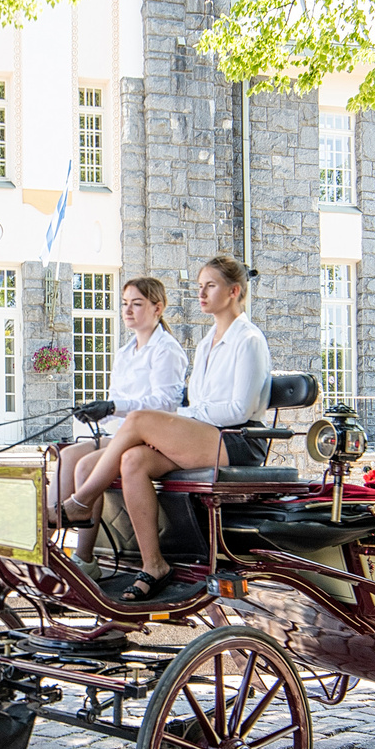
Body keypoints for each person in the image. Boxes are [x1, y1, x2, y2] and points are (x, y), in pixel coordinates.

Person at [54, 255, 272, 601]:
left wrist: (187, 416)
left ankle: (81, 502)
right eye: (200, 286)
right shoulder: (206, 343)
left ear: (233, 291)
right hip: (206, 432)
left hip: (239, 440)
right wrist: (187, 417)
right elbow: (196, 403)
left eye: (209, 286)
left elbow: (239, 409)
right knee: (134, 461)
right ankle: (153, 564)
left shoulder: (249, 339)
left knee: (139, 419)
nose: (201, 293)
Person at [58, 278, 189, 562]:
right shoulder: (124, 353)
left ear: (158, 308)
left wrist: (113, 407)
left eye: (137, 304)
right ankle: (48, 541)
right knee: (66, 457)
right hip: (122, 435)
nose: (128, 310)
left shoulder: (166, 350)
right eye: (125, 304)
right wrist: (98, 413)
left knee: (84, 467)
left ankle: (84, 556)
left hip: (153, 439)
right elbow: (117, 406)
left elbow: (165, 404)